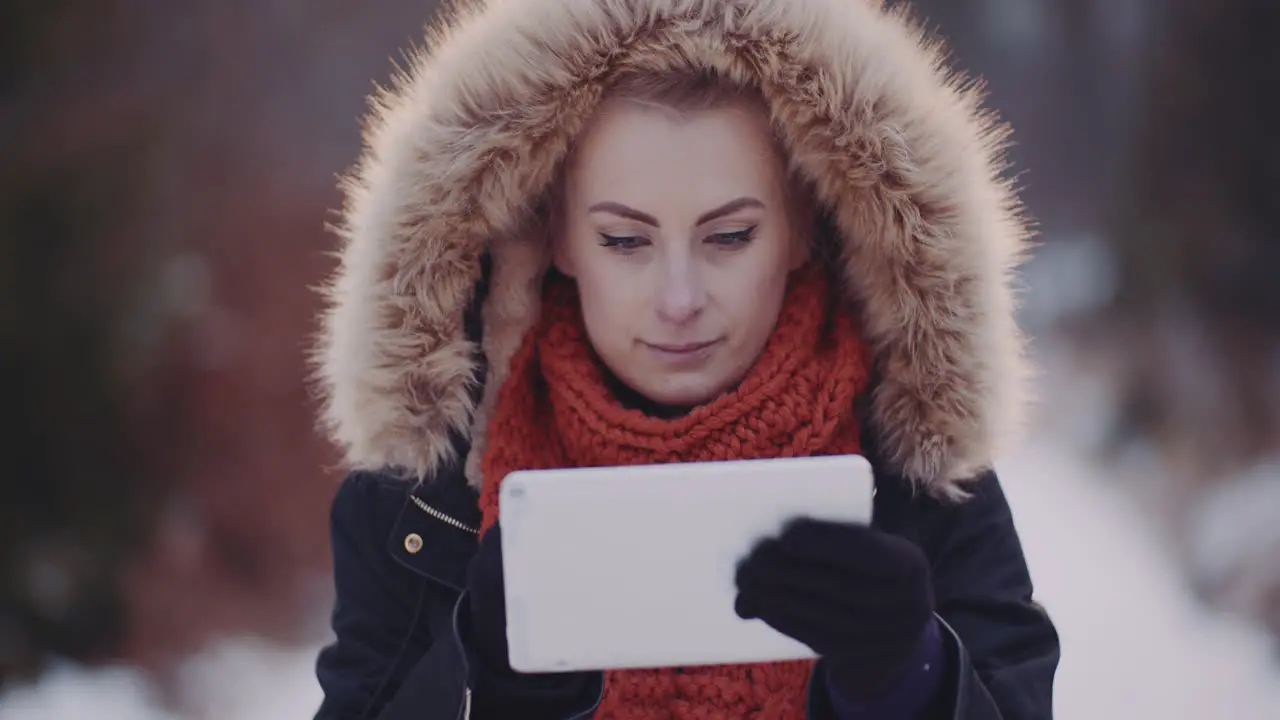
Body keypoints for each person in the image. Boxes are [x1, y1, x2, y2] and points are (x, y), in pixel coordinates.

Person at [311, 0, 1060, 717]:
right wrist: (484, 685)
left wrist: (913, 684)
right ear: (559, 237)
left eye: (729, 237)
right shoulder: (425, 499)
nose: (679, 299)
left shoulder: (920, 486)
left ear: (803, 228)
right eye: (626, 241)